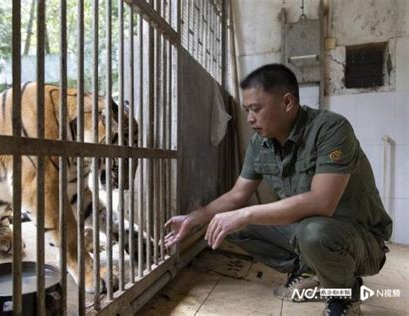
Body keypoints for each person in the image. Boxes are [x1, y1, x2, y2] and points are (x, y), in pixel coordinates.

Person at [164, 64, 392, 316]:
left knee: (312, 232)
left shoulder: (331, 129)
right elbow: (237, 195)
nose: (250, 118)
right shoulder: (259, 143)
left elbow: (321, 202)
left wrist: (246, 214)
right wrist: (193, 218)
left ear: (287, 102)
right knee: (222, 224)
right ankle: (311, 270)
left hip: (360, 241)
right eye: (247, 110)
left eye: (256, 109)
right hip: (309, 232)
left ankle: (344, 293)